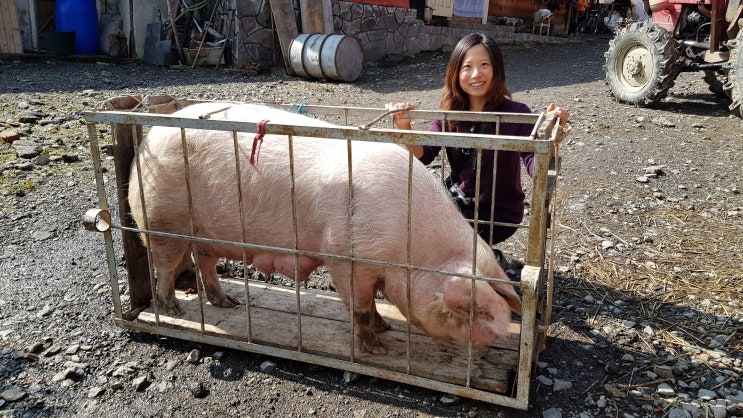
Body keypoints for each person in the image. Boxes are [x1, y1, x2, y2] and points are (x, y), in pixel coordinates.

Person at [386, 33, 569, 269]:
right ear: (456, 73)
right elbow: (424, 155)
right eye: (467, 66)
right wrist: (404, 127)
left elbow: (537, 166)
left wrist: (552, 135)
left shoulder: (517, 114)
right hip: (456, 202)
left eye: (484, 65)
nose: (476, 74)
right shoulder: (448, 113)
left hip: (498, 213)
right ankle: (478, 259)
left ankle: (490, 262)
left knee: (434, 245)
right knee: (408, 227)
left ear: (496, 70)